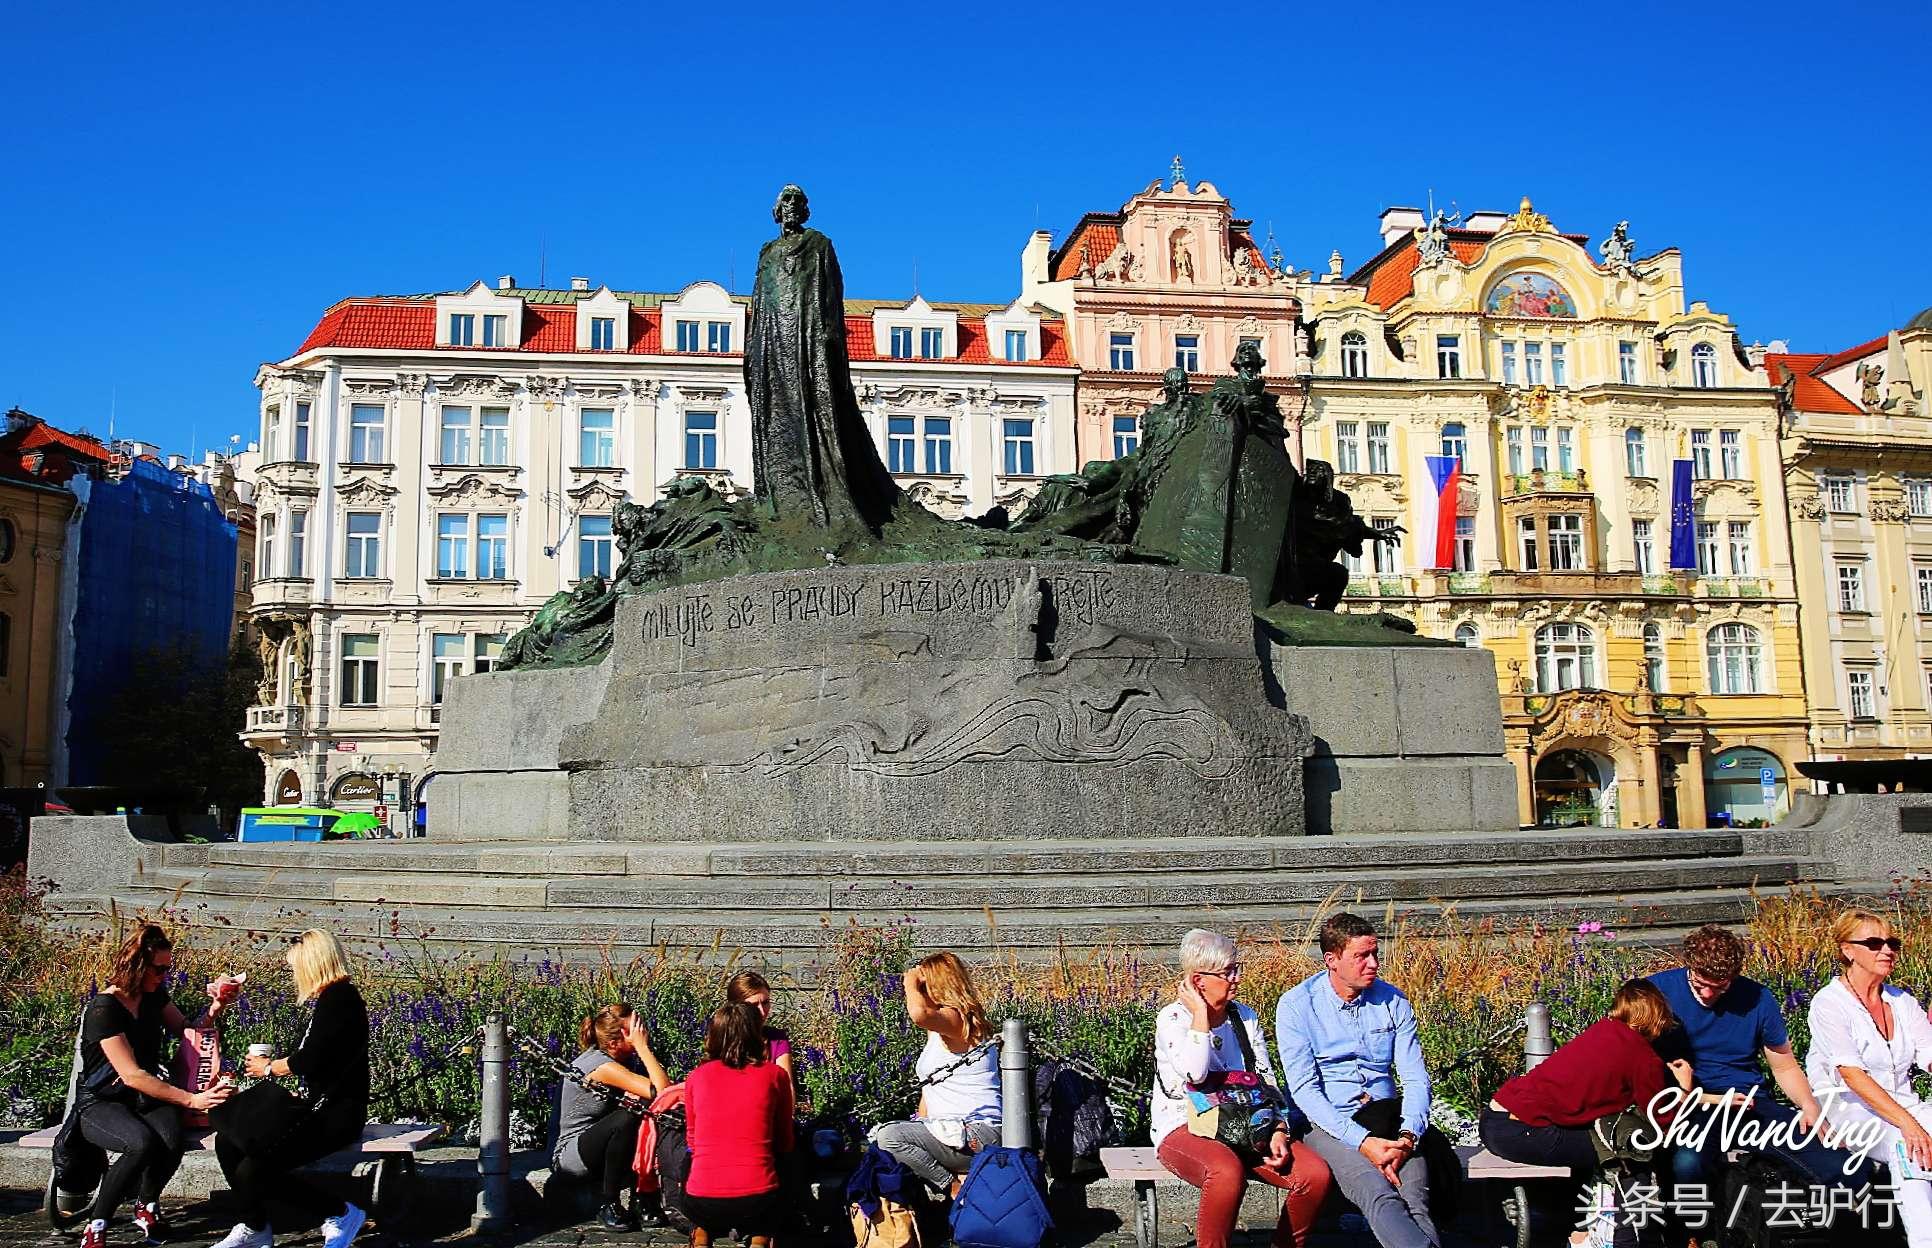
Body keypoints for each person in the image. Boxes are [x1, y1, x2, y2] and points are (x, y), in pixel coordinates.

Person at [1646, 924, 1863, 1215]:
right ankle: (1693, 1231)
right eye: (1700, 984)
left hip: (1749, 1102)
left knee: (1838, 1163)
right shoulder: (1657, 991)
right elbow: (1636, 1060)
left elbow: (1784, 1065)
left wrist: (1810, 1106)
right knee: (1688, 1162)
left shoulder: (1758, 998)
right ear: (1689, 967)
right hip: (1689, 1101)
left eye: (1720, 985)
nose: (1708, 993)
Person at [1152, 929, 1332, 1248]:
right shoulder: (1173, 1018)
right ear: (1198, 981)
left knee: (1313, 1175)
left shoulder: (1244, 1017)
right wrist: (1201, 1016)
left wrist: (1279, 1128)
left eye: (1237, 968)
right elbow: (1195, 1071)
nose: (1236, 977)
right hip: (1186, 1125)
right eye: (1227, 972)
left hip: (1246, 1124)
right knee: (1225, 1171)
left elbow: (1266, 1078)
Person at [1276, 912, 1438, 1248]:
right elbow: (1304, 1091)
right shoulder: (1297, 1006)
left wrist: (1407, 1137)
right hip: (1329, 1124)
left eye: (1375, 953)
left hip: (1388, 1121)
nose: (1373, 963)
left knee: (1415, 1199)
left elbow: (1416, 1079)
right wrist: (1363, 1142)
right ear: (1332, 960)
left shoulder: (1393, 1001)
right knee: (1378, 1192)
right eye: (1361, 956)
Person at [72, 923, 236, 1248]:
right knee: (140, 1143)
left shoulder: (153, 995)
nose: (165, 975)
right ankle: (97, 1225)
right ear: (137, 966)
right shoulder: (104, 1009)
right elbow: (131, 1074)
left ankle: (147, 1204)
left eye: (168, 969)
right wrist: (191, 1100)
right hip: (102, 1101)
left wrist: (217, 1007)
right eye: (159, 969)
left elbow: (188, 1033)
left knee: (171, 1137)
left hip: (143, 1097)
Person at [209, 930, 369, 1248]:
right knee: (228, 1143)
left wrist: (268, 1068)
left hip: (336, 1115)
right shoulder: (332, 999)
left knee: (253, 1170)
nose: (294, 974)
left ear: (312, 964)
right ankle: (254, 1226)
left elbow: (310, 1059)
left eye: (296, 966)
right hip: (318, 1107)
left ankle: (340, 1213)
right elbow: (324, 1059)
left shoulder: (339, 1000)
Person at [1806, 908, 1932, 1244]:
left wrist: (1910, 1118)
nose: (1887, 950)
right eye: (1874, 943)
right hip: (1852, 1113)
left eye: (1892, 942)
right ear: (1848, 950)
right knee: (1908, 1148)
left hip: (1906, 1104)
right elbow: (1853, 1076)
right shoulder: (1829, 1004)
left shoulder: (1902, 1001)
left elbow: (1929, 1055)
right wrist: (1908, 1124)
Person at [1481, 979, 1688, 1173]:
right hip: (1520, 1132)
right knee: (1629, 1146)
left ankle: (1568, 1207)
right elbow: (1662, 1120)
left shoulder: (1603, 1029)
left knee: (1599, 1138)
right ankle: (1630, 1209)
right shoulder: (1644, 1057)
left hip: (1495, 1119)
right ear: (1657, 1018)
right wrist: (1684, 1086)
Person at [869, 952, 1001, 1197]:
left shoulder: (958, 1019)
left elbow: (919, 1015)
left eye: (923, 985)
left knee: (889, 1137)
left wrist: (909, 983)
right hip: (954, 1130)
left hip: (977, 1133)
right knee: (886, 1139)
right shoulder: (941, 1028)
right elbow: (930, 1089)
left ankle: (954, 1188)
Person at [681, 1003, 794, 1248]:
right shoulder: (775, 1075)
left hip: (701, 1202)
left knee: (689, 1158)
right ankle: (762, 1236)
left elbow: (692, 1140)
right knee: (788, 1161)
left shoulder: (696, 1076)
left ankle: (701, 1232)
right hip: (760, 1199)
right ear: (757, 1035)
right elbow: (785, 1140)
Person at [552, 1003, 672, 1231]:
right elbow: (663, 1090)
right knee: (627, 1117)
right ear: (614, 1043)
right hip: (570, 1158)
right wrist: (643, 1048)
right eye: (633, 1032)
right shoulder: (601, 1066)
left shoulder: (618, 1059)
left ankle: (643, 1199)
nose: (641, 1034)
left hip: (600, 1150)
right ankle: (609, 1204)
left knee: (643, 1108)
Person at [725, 971, 792, 1082]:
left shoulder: (777, 1039)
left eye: (765, 1002)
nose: (762, 1011)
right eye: (754, 1005)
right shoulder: (723, 1039)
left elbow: (787, 1086)